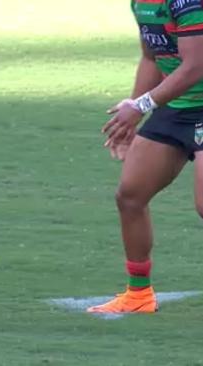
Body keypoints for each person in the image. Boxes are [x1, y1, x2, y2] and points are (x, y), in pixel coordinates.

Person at [89, 0, 203, 313]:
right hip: (174, 109)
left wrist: (140, 106)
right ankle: (138, 295)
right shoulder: (141, 1)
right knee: (130, 196)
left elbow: (196, 65)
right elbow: (152, 58)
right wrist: (135, 110)